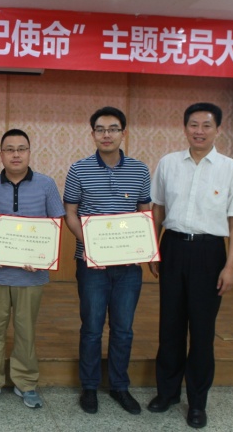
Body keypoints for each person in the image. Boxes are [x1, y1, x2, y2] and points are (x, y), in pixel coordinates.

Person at [147, 102, 233, 429]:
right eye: (193, 125)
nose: (199, 131)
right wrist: (153, 250)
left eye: (206, 125)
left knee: (203, 331)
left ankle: (197, 402)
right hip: (173, 247)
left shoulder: (231, 169)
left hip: (210, 253)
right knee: (170, 326)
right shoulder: (168, 163)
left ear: (217, 129)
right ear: (185, 128)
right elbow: (157, 210)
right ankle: (167, 393)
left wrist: (230, 266)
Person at [63, 107, 151, 416]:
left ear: (123, 133)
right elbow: (70, 214)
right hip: (91, 264)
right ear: (93, 134)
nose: (106, 135)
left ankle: (119, 386)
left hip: (128, 266)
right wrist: (92, 244)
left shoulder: (140, 170)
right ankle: (89, 387)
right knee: (91, 327)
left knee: (123, 329)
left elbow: (145, 213)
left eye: (113, 129)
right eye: (100, 129)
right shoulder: (78, 169)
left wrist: (146, 249)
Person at [0, 129, 65, 409]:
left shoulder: (47, 185)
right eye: (10, 149)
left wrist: (42, 255)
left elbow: (56, 225)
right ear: (1, 154)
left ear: (29, 152)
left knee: (26, 332)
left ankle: (26, 382)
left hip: (32, 275)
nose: (16, 154)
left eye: (21, 149)